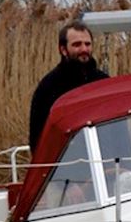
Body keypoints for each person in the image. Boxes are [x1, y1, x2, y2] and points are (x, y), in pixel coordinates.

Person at [28, 20, 108, 151]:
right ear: (63, 49)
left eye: (87, 44)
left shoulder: (103, 82)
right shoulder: (48, 86)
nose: (84, 49)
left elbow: (117, 130)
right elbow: (38, 137)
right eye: (77, 45)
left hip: (105, 164)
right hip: (68, 164)